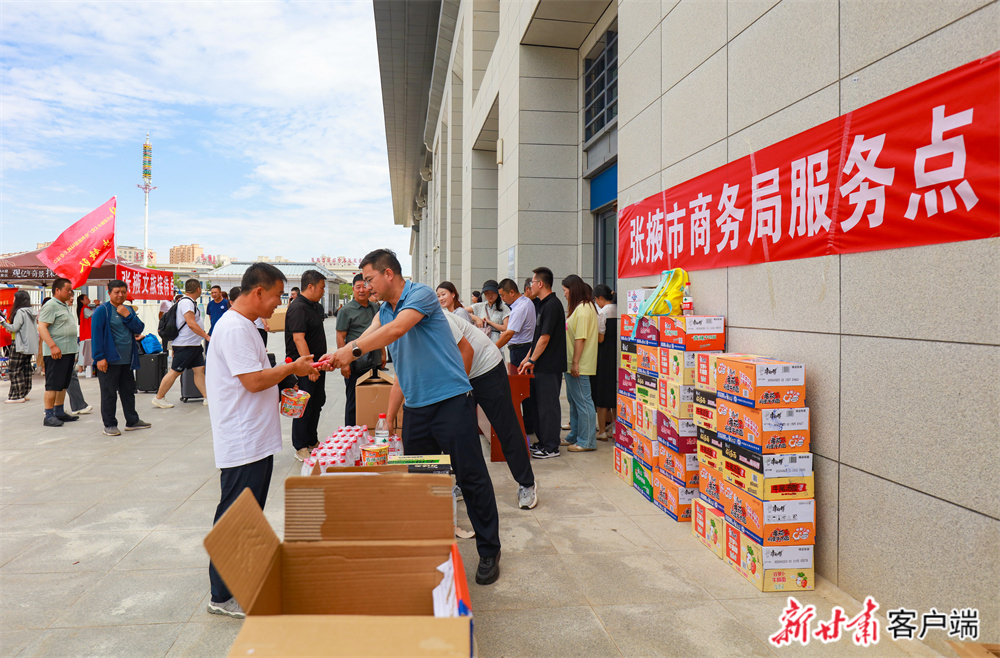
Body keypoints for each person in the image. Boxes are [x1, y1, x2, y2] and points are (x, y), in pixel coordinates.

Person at [321, 249, 502, 586]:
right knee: (422, 483)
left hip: (451, 403)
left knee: (472, 478)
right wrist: (337, 357)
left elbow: (393, 332)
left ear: (389, 274)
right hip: (417, 410)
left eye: (370, 279)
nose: (367, 286)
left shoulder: (419, 295)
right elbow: (379, 346)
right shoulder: (384, 310)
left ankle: (489, 549)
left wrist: (352, 350)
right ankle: (431, 550)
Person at [205, 262, 318, 618]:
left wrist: (285, 381)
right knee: (235, 515)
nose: (278, 304)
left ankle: (244, 579)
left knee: (247, 514)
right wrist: (291, 368)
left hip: (254, 436)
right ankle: (223, 595)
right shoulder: (235, 329)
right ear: (257, 292)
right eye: (276, 296)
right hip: (242, 440)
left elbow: (257, 378)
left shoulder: (247, 326)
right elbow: (253, 382)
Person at [427, 312, 537, 509]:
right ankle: (464, 483)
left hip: (486, 368)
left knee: (505, 427)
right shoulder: (405, 322)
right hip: (459, 373)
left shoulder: (436, 316)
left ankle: (527, 483)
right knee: (460, 433)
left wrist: (459, 389)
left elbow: (466, 352)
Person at [91, 279, 151, 436]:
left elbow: (139, 328)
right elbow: (96, 335)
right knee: (109, 393)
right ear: (109, 292)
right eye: (116, 292)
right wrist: (99, 357)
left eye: (123, 292)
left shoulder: (128, 310)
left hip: (127, 360)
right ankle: (109, 424)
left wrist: (127, 315)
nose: (120, 295)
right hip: (109, 360)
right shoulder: (102, 311)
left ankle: (132, 420)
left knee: (128, 391)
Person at [517, 267, 566, 459]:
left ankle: (551, 446)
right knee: (540, 407)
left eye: (532, 281)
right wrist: (527, 358)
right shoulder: (542, 305)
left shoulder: (553, 305)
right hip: (540, 366)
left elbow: (545, 338)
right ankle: (543, 441)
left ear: (540, 284)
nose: (530, 285)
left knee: (549, 407)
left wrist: (532, 359)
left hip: (549, 366)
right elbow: (537, 338)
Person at [285, 270, 328, 461]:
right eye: (321, 288)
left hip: (316, 366)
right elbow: (298, 338)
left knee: (317, 402)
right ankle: (300, 445)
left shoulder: (313, 306)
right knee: (304, 405)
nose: (323, 292)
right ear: (310, 287)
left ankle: (312, 440)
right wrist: (309, 366)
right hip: (304, 367)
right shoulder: (298, 307)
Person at [152, 279, 210, 408]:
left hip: (193, 345)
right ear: (198, 289)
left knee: (199, 370)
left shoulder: (188, 302)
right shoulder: (186, 303)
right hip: (185, 345)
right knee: (175, 371)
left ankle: (206, 397)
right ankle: (159, 397)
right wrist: (206, 336)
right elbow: (191, 323)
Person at [559, 275, 599, 452]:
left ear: (572, 289)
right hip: (573, 363)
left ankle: (586, 442)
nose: (565, 294)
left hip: (579, 365)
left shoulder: (583, 309)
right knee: (575, 402)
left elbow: (580, 339)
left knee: (583, 402)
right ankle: (575, 435)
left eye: (565, 290)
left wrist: (575, 362)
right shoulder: (582, 307)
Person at [336, 273, 382, 426]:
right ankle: (350, 433)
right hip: (355, 364)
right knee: (353, 402)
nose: (362, 290)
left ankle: (369, 430)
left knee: (373, 398)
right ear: (353, 289)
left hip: (373, 362)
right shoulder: (346, 311)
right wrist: (344, 363)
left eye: (364, 286)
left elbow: (380, 333)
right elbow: (340, 337)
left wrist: (382, 354)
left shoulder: (375, 307)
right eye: (358, 287)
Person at [37, 278, 80, 426]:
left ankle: (59, 411)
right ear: (57, 290)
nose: (70, 292)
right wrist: (53, 346)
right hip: (56, 352)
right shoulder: (50, 305)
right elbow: (42, 327)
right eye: (67, 290)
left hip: (68, 351)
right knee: (53, 384)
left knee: (63, 384)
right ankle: (48, 415)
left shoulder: (63, 306)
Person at [0, 290, 37, 403]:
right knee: (25, 368)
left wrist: (2, 322)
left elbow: (15, 328)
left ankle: (16, 395)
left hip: (19, 344)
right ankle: (24, 393)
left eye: (15, 298)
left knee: (14, 369)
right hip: (29, 345)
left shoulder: (20, 311)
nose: (13, 300)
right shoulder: (31, 311)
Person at [592, 284, 618, 440]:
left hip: (604, 357)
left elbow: (600, 338)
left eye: (596, 299)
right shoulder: (619, 309)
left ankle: (601, 431)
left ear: (600, 298)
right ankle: (615, 428)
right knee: (615, 394)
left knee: (602, 394)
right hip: (618, 357)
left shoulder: (602, 313)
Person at [76, 294, 96, 376]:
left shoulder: (84, 309)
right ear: (82, 301)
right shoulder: (85, 309)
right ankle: (81, 370)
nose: (89, 299)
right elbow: (95, 313)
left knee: (83, 352)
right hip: (87, 334)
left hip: (85, 334)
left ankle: (81, 369)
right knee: (85, 353)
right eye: (86, 298)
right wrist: (98, 305)